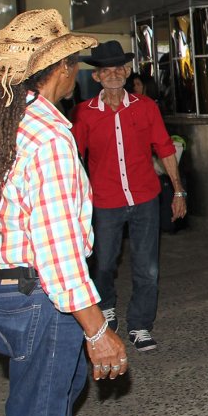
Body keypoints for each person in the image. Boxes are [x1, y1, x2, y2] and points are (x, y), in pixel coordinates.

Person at [0, 9, 128, 416]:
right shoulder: (49, 137)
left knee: (54, 397)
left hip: (4, 292)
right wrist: (98, 331)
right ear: (59, 69)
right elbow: (58, 252)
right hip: (41, 298)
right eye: (73, 63)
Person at [72, 40, 187, 352]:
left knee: (147, 267)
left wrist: (178, 190)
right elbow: (74, 159)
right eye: (106, 70)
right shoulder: (84, 113)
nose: (113, 75)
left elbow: (165, 148)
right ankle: (106, 305)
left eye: (118, 69)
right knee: (104, 264)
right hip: (105, 202)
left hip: (145, 198)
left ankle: (140, 324)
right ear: (96, 76)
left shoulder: (145, 106)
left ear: (127, 71)